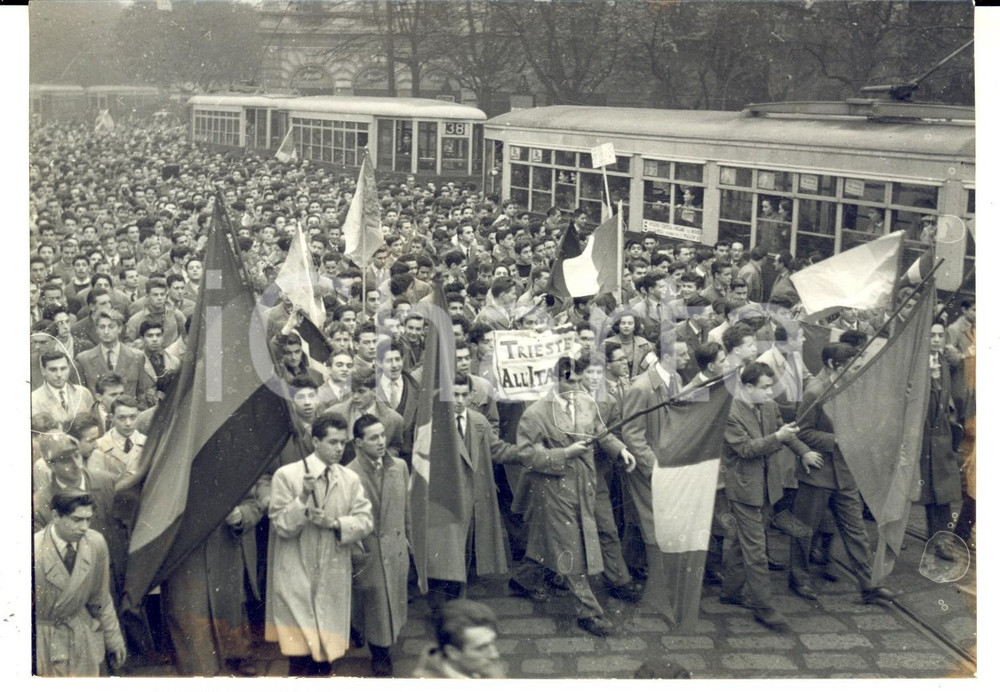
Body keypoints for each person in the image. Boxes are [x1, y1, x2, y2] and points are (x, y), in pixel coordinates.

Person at [511, 356, 636, 637]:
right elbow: (526, 455)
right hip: (553, 489)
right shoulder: (536, 414)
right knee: (570, 547)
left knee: (550, 541)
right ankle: (588, 612)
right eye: (570, 382)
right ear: (555, 380)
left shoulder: (585, 404)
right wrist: (564, 454)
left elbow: (600, 431)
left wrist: (620, 449)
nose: (577, 387)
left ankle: (523, 579)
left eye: (580, 381)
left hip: (585, 485)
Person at [787, 344, 896, 606]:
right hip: (818, 473)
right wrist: (836, 439)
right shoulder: (815, 392)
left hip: (846, 473)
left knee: (856, 531)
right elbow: (801, 432)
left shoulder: (852, 388)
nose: (858, 371)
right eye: (853, 367)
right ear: (833, 365)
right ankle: (798, 577)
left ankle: (869, 585)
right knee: (805, 530)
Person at [266, 414, 373, 676]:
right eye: (333, 442)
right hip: (296, 574)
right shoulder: (287, 476)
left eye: (343, 443)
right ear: (315, 441)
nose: (340, 449)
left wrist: (335, 523)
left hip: (332, 574)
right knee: (299, 657)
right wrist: (302, 498)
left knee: (325, 655)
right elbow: (281, 525)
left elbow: (365, 521)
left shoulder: (349, 479)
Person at [720, 362, 816, 631]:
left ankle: (730, 591)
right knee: (757, 550)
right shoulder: (730, 413)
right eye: (765, 387)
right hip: (744, 490)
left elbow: (784, 432)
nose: (770, 392)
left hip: (766, 487)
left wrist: (804, 451)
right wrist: (777, 437)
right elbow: (746, 449)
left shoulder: (768, 405)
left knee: (743, 541)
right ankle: (764, 607)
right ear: (748, 387)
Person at [425, 374, 522, 611]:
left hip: (472, 498)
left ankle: (456, 606)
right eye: (454, 395)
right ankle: (443, 609)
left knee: (464, 553)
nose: (459, 400)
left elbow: (498, 449)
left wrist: (527, 453)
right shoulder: (433, 423)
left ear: (471, 396)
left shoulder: (479, 421)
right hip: (444, 502)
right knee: (445, 557)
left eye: (463, 395)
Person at [34, 491, 127, 676]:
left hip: (82, 640)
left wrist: (114, 639)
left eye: (88, 519)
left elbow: (101, 598)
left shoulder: (96, 544)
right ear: (55, 516)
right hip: (44, 643)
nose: (84, 527)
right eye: (77, 520)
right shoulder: (33, 549)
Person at [346, 414, 411, 677]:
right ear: (358, 443)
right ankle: (380, 654)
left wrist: (408, 542)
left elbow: (406, 510)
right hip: (369, 550)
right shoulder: (349, 475)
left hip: (395, 548)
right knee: (376, 607)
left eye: (383, 435)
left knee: (391, 602)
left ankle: (376, 639)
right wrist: (356, 552)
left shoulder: (399, 467)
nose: (381, 441)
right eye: (373, 438)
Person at [919, 321, 963, 559]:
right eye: (932, 335)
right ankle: (891, 539)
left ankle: (941, 541)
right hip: (919, 437)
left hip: (940, 438)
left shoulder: (944, 364)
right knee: (912, 491)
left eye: (940, 335)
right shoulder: (916, 365)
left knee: (942, 491)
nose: (936, 339)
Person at [411, 599, 503, 679]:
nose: (494, 655)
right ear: (452, 652)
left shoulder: (486, 669)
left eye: (492, 643)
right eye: (481, 648)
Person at [32, 350, 95, 432]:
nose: (59, 374)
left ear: (69, 369)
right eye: (53, 370)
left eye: (63, 369)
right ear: (43, 371)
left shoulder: (83, 393)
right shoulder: (34, 399)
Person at [88, 395, 145, 484]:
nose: (128, 423)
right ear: (112, 417)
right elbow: (96, 483)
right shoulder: (99, 446)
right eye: (122, 418)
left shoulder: (147, 443)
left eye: (133, 417)